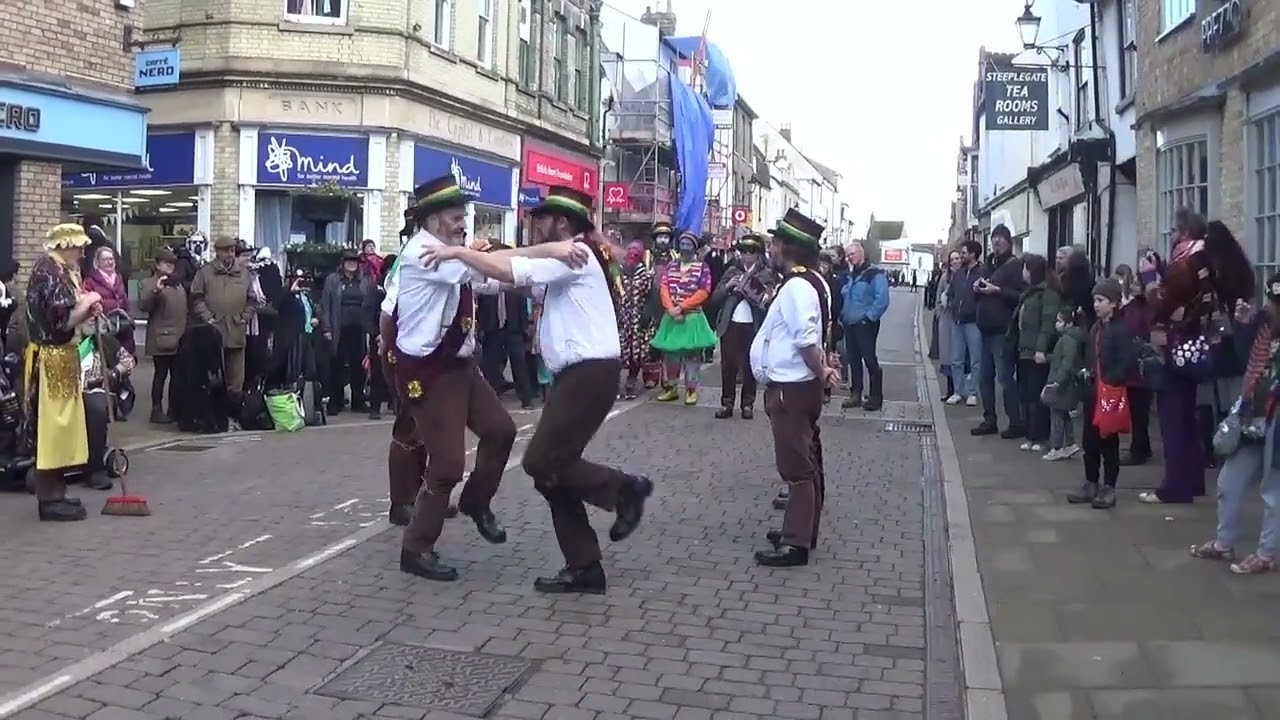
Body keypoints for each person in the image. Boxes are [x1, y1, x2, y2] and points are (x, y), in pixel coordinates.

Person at [421, 185, 654, 594]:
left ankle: (625, 489)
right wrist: (474, 261)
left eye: (541, 219)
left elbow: (513, 271)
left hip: (588, 374)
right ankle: (585, 566)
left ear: (561, 223)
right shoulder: (564, 256)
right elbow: (504, 280)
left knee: (539, 462)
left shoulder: (574, 253)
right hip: (578, 375)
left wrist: (461, 253)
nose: (535, 225)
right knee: (550, 474)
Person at [379, 175, 517, 580]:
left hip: (460, 365)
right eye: (457, 217)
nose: (463, 224)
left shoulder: (451, 253)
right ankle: (416, 548)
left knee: (501, 430)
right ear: (435, 219)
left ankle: (477, 501)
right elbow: (482, 269)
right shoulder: (426, 253)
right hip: (430, 370)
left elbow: (492, 279)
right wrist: (550, 252)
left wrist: (536, 269)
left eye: (464, 216)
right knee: (447, 465)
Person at [1143, 212, 1254, 504]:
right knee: (1188, 418)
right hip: (1199, 346)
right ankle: (1191, 482)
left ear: (1183, 232)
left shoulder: (1185, 265)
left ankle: (1175, 487)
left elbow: (1161, 305)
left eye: (1174, 230)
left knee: (1174, 419)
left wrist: (1149, 278)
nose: (1172, 236)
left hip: (1179, 346)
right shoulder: (1206, 262)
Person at [750, 208, 838, 568]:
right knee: (808, 456)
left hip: (791, 386)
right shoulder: (813, 281)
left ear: (788, 247)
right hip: (794, 385)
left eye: (775, 242)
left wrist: (821, 370)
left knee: (796, 465)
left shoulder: (798, 286)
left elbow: (804, 339)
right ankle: (802, 528)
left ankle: (796, 542)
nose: (770, 248)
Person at [1190, 275, 1280, 574]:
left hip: (1276, 419)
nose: (1270, 307)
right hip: (1251, 414)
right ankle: (1223, 543)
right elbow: (1243, 361)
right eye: (1270, 300)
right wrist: (1242, 326)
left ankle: (1266, 554)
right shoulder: (1265, 328)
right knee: (1228, 482)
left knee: (1272, 490)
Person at [19, 224, 104, 522]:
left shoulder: (60, 270)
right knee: (52, 429)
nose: (82, 252)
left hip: (62, 357)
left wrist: (86, 306)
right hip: (51, 358)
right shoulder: (50, 272)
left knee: (61, 428)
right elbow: (62, 322)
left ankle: (56, 493)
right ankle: (49, 498)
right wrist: (89, 302)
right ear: (64, 245)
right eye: (78, 247)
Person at [1067, 279, 1137, 509]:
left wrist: (1110, 381)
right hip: (1092, 393)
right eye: (1095, 300)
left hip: (1110, 393)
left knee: (1108, 441)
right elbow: (1089, 355)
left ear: (1114, 303)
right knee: (1090, 440)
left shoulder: (1120, 330)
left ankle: (1109, 486)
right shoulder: (1096, 328)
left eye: (1101, 300)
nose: (1096, 305)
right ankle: (1090, 482)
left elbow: (1126, 362)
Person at [710, 234, 776, 419]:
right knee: (728, 366)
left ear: (758, 255)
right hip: (731, 325)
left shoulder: (767, 274)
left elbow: (769, 301)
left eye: (751, 252)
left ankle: (748, 404)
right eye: (743, 251)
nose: (746, 255)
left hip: (753, 326)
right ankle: (727, 403)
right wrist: (727, 287)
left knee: (749, 366)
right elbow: (715, 298)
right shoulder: (731, 271)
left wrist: (762, 295)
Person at [650, 231, 717, 405]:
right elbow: (664, 287)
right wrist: (671, 308)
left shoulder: (702, 268)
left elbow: (703, 291)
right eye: (682, 244)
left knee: (692, 356)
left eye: (688, 244)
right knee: (671, 355)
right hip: (672, 317)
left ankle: (691, 389)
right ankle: (671, 388)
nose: (684, 247)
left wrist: (682, 307)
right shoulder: (671, 266)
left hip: (692, 317)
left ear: (694, 248)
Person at [972, 224, 1025, 437]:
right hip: (985, 329)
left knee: (1005, 378)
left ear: (1009, 242)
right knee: (985, 378)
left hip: (1002, 330)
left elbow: (1021, 296)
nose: (996, 244)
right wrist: (977, 288)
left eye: (1000, 240)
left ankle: (1016, 422)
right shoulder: (988, 265)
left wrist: (998, 290)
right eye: (994, 240)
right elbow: (980, 294)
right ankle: (989, 419)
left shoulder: (1015, 266)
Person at [190, 236, 258, 396]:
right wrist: (207, 317)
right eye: (226, 251)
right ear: (217, 252)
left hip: (236, 331)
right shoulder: (205, 273)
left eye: (232, 251)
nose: (230, 254)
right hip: (212, 333)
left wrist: (244, 317)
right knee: (212, 378)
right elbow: (196, 297)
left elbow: (253, 299)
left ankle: (233, 414)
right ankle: (212, 414)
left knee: (236, 380)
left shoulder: (244, 274)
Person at [1008, 253, 1061, 453]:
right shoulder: (1030, 293)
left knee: (1038, 397)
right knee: (1026, 395)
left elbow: (1047, 324)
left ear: (1032, 271)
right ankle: (1030, 435)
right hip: (1024, 351)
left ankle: (1040, 436)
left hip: (1036, 353)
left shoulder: (1048, 294)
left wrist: (1040, 349)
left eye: (1025, 268)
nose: (1023, 272)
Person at [320, 249, 378, 415]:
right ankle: (335, 401)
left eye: (355, 261)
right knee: (336, 367)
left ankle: (358, 401)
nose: (352, 264)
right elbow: (326, 306)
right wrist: (327, 329)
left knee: (358, 368)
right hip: (339, 329)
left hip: (359, 330)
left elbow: (371, 305)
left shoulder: (365, 282)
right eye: (348, 261)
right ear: (342, 263)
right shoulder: (332, 280)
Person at [138, 248, 189, 424]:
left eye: (172, 263)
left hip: (179, 337)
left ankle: (174, 409)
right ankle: (156, 410)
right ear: (157, 264)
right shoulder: (150, 283)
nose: (170, 266)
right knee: (161, 375)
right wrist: (156, 291)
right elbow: (144, 306)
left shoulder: (176, 283)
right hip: (161, 337)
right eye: (166, 263)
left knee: (177, 377)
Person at [839, 241, 890, 411]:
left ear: (861, 253)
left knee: (869, 359)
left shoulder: (874, 273)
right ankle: (856, 395)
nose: (849, 258)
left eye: (852, 254)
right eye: (848, 255)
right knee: (853, 359)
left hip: (865, 324)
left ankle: (876, 397)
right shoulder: (851, 274)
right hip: (850, 322)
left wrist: (869, 318)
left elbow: (882, 298)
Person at [1041, 308, 1084, 461]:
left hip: (1062, 384)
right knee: (1063, 413)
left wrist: (1057, 381)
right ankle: (1070, 443)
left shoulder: (1067, 340)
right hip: (1066, 383)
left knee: (1056, 415)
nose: (1056, 325)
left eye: (1059, 321)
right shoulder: (1070, 338)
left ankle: (1057, 446)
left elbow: (1067, 361)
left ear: (1068, 323)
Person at [617, 239, 657, 400]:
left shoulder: (646, 274)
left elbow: (651, 297)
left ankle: (632, 381)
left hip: (639, 320)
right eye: (630, 251)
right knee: (619, 351)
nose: (632, 255)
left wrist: (646, 316)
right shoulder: (619, 273)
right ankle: (615, 383)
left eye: (636, 252)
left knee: (637, 354)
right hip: (623, 319)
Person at [946, 240, 984, 406]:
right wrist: (953, 303)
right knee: (956, 358)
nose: (961, 256)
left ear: (972, 254)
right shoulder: (959, 273)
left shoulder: (982, 272)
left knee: (976, 359)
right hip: (957, 320)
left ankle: (972, 392)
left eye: (963, 253)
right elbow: (952, 293)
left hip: (973, 321)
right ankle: (957, 391)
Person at [82, 246, 135, 357]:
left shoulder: (118, 278)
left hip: (122, 330)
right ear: (98, 262)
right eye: (105, 259)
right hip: (104, 331)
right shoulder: (90, 281)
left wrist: (130, 319)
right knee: (109, 361)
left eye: (111, 259)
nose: (109, 262)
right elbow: (87, 306)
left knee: (125, 362)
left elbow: (125, 301)